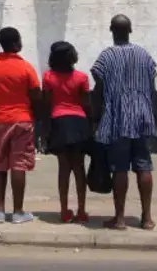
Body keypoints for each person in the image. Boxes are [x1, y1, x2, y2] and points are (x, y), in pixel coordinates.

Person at [91, 14, 157, 231]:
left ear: (111, 30)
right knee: (144, 166)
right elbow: (152, 86)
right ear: (130, 30)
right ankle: (146, 218)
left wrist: (95, 118)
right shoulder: (144, 55)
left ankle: (119, 219)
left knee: (119, 168)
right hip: (142, 116)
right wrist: (147, 110)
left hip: (117, 118)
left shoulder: (106, 57)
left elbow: (98, 91)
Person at [0, 26, 42, 224]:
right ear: (16, 43)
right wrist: (37, 118)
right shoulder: (26, 68)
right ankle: (18, 212)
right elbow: (36, 96)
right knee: (18, 165)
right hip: (22, 121)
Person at [43, 40, 92, 223]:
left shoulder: (48, 77)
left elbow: (47, 102)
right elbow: (86, 104)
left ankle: (64, 211)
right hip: (78, 122)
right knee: (79, 168)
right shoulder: (81, 77)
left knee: (63, 168)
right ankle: (81, 210)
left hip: (59, 122)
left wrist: (45, 127)